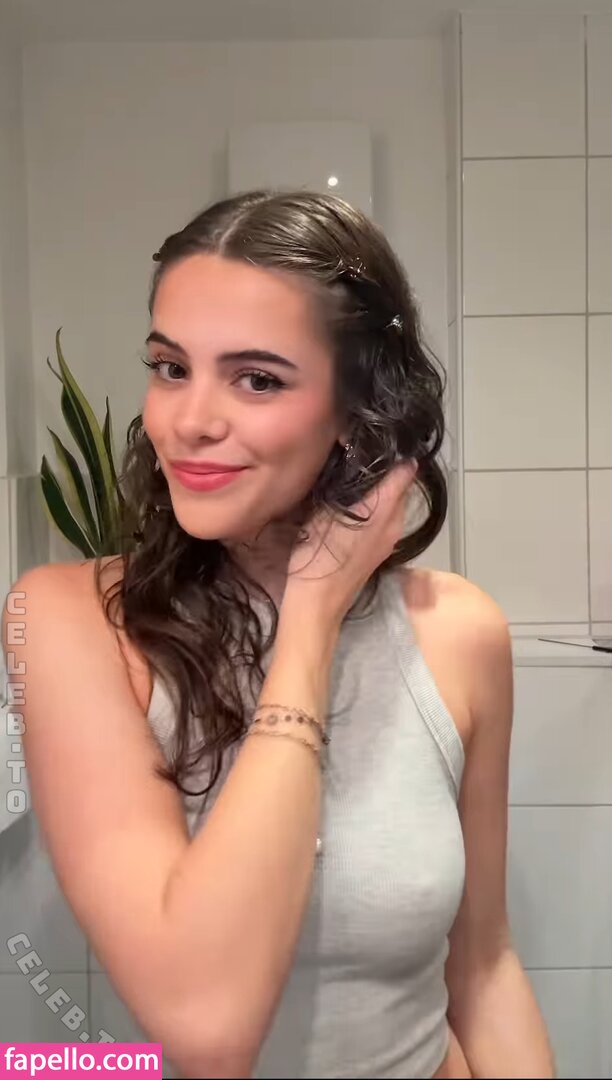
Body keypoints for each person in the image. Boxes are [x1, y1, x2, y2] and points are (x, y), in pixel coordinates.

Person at [2, 190, 553, 1079]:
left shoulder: (460, 632)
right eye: (171, 367)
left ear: (356, 413)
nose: (190, 421)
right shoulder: (70, 622)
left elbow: (484, 969)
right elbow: (206, 1028)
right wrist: (308, 627)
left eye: (257, 379)